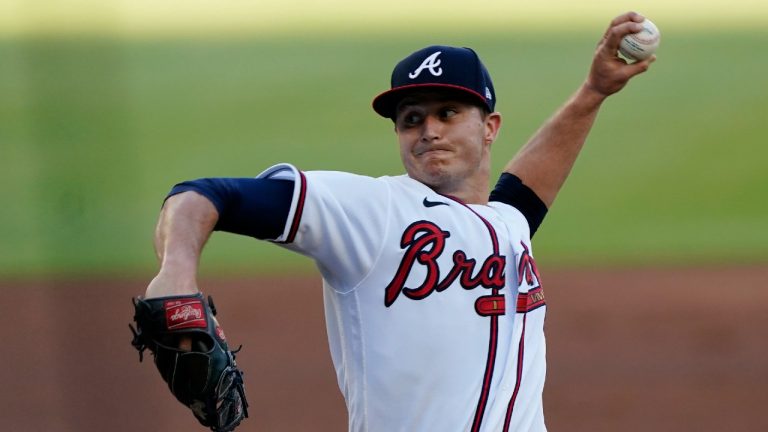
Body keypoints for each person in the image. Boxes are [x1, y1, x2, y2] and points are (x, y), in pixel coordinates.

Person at [141, 12, 655, 431]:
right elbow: (202, 195)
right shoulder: (371, 211)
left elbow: (525, 192)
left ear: (490, 127)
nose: (428, 130)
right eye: (412, 118)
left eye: (448, 112)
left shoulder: (506, 223)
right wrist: (175, 277)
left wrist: (594, 91)